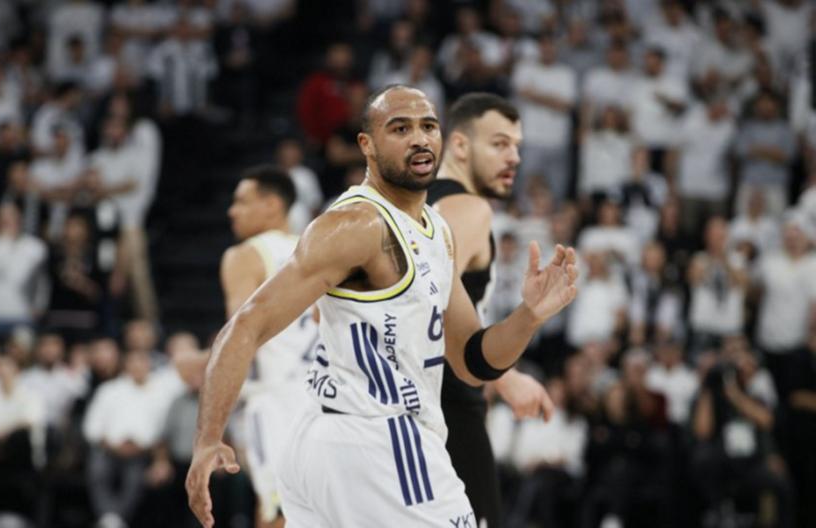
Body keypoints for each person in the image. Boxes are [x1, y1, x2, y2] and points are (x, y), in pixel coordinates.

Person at [186, 85, 578, 527]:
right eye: (400, 129)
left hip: (329, 441)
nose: (419, 138)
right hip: (379, 438)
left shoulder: (437, 229)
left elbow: (471, 361)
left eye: (428, 126)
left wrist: (529, 316)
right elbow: (246, 325)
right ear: (367, 145)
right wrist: (207, 438)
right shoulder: (356, 224)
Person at [427, 92, 554, 527]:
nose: (513, 157)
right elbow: (429, 298)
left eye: (516, 146)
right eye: (499, 144)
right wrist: (503, 374)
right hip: (446, 406)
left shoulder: (415, 203)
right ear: (460, 145)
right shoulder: (469, 208)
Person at [176, 165, 318, 526]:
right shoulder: (316, 250)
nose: (231, 211)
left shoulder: (246, 254)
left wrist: (195, 361)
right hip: (326, 397)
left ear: (272, 205)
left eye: (241, 202)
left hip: (277, 398)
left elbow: (238, 341)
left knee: (277, 512)